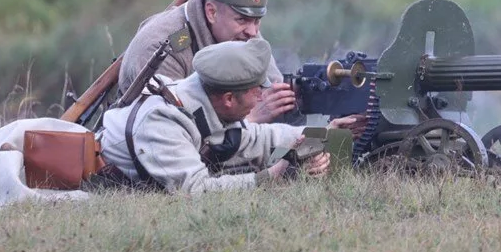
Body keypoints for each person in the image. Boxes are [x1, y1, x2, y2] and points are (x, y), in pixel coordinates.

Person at [100, 38, 360, 193]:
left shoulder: (206, 105)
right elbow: (195, 192)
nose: (261, 99)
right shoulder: (163, 121)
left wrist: (320, 134)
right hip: (98, 180)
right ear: (228, 99)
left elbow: (257, 137)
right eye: (256, 92)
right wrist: (272, 177)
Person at [117, 0, 298, 124]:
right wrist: (249, 119)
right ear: (212, 12)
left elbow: (273, 92)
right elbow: (166, 128)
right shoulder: (162, 47)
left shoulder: (242, 31)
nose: (252, 32)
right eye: (242, 19)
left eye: (257, 21)